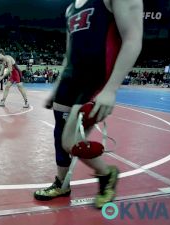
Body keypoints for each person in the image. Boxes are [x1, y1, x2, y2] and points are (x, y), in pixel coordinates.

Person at [34, 0, 143, 209]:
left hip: (96, 79)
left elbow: (132, 39)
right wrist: (57, 87)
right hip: (71, 78)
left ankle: (106, 173)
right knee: (60, 135)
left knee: (70, 141)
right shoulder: (70, 8)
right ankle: (62, 184)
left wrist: (111, 89)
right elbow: (69, 52)